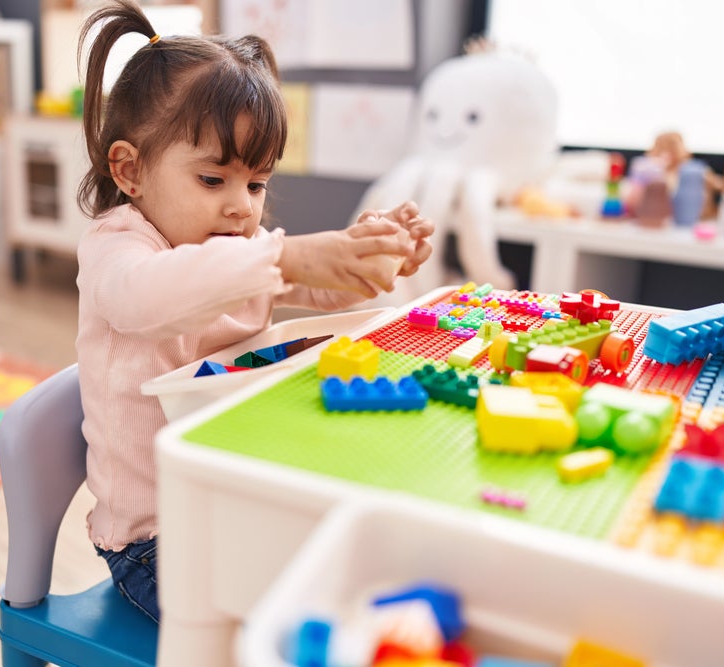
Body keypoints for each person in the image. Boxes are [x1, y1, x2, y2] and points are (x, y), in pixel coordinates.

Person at [75, 0, 434, 623]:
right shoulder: (120, 247)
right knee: (285, 624)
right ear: (130, 170)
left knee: (358, 568)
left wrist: (370, 255)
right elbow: (143, 297)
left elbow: (321, 292)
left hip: (236, 493)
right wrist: (287, 258)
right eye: (214, 180)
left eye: (257, 183)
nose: (243, 208)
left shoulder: (237, 250)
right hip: (157, 538)